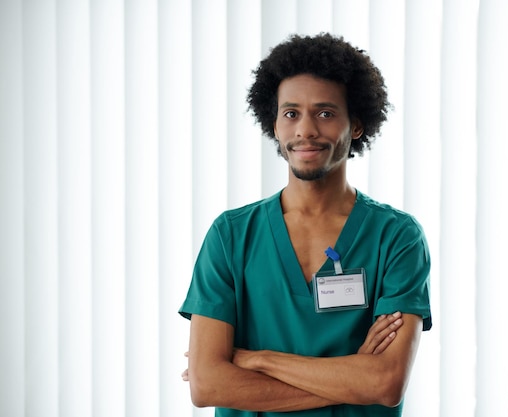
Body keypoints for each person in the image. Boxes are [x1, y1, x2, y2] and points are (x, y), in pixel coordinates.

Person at [179, 32, 432, 417]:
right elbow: (208, 384)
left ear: (357, 125)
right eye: (291, 113)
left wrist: (257, 360)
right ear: (275, 124)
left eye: (326, 113)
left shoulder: (396, 237)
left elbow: (385, 382)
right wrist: (352, 380)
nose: (306, 130)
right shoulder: (231, 235)